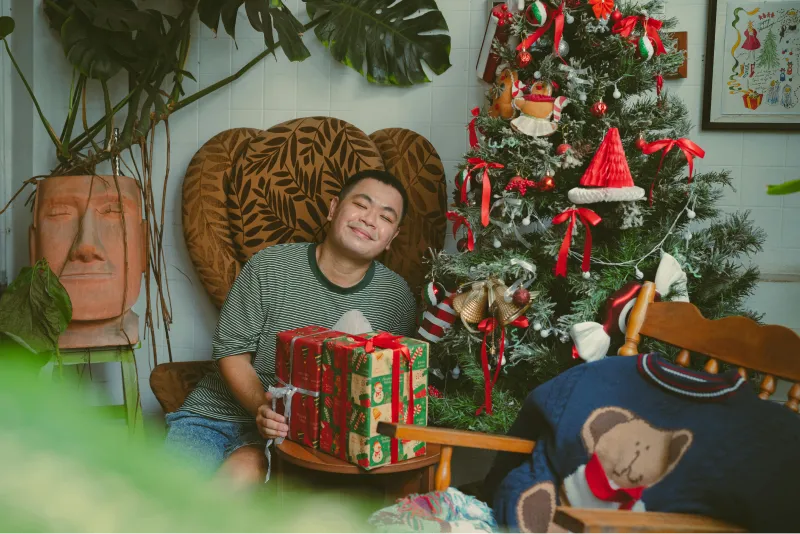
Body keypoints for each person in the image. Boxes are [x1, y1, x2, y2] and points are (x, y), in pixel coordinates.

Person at [164, 169, 418, 487]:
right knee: (168, 497)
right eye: (361, 204)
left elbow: (390, 388)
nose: (369, 219)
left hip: (297, 437)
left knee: (238, 479)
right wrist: (263, 406)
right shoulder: (269, 267)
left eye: (385, 216)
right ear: (333, 209)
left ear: (392, 238)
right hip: (216, 415)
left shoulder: (397, 298)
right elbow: (231, 353)